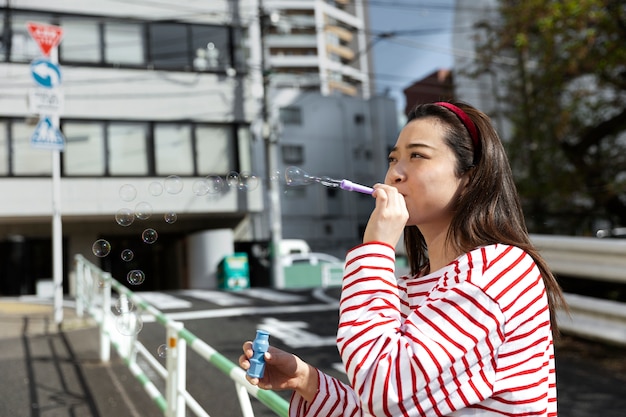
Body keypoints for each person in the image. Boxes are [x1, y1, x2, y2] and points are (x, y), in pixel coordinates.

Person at [239, 101, 567, 416]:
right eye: (393, 158)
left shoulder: (498, 271)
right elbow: (390, 407)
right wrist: (306, 380)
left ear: (469, 178)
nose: (395, 173)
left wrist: (377, 247)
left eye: (417, 156)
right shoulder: (411, 285)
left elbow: (384, 394)